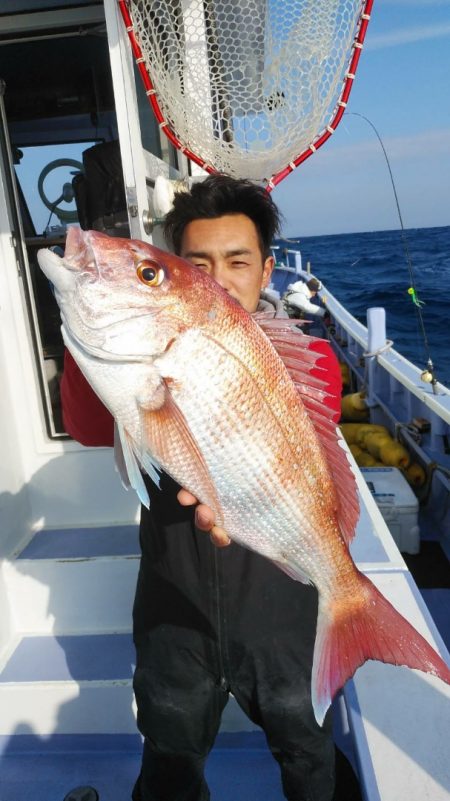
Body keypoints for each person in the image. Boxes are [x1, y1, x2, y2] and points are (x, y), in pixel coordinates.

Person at [60, 175, 344, 801]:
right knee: (170, 755)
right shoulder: (149, 345)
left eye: (238, 261)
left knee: (306, 746)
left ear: (267, 269)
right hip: (173, 601)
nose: (220, 277)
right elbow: (84, 427)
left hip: (280, 600)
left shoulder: (313, 358)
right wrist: (95, 336)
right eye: (199, 263)